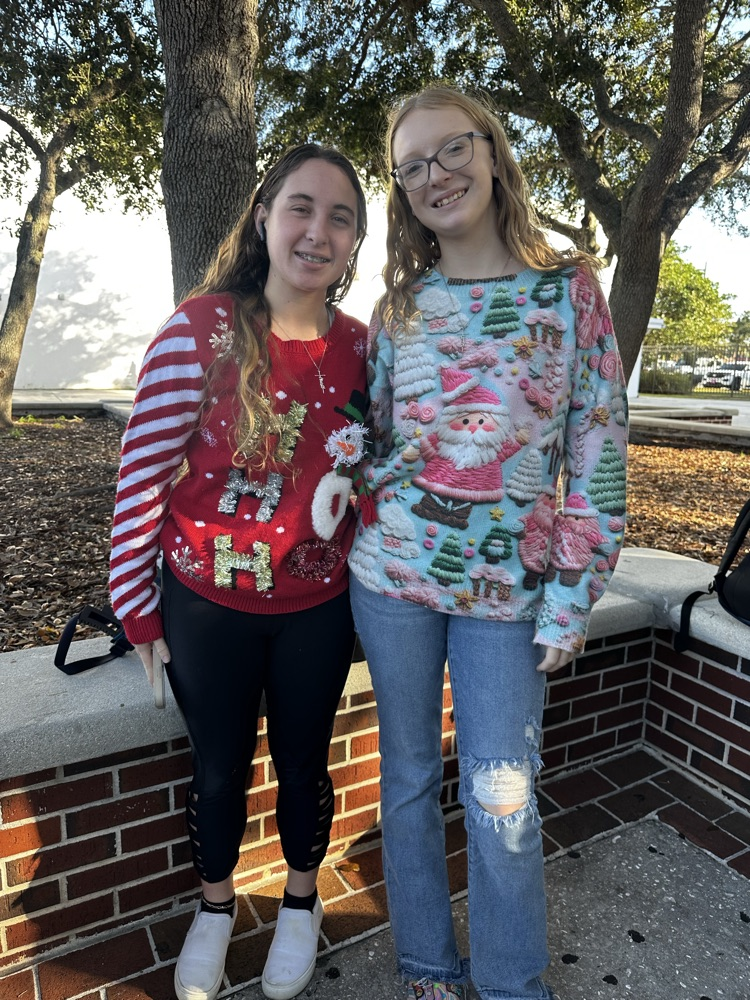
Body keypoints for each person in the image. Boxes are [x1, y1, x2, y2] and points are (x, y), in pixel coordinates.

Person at [348, 86, 629, 1000]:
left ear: (493, 151)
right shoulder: (401, 307)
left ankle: (512, 983)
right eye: (412, 166)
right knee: (407, 781)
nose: (436, 176)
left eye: (450, 150)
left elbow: (598, 448)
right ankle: (428, 966)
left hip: (512, 596)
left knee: (503, 798)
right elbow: (379, 439)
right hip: (390, 577)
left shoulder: (568, 290)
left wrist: (572, 595)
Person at [109, 143, 369, 1000]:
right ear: (263, 215)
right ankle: (214, 909)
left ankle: (300, 903)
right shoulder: (201, 329)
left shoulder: (366, 351)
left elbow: (381, 476)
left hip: (317, 607)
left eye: (340, 216)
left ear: (356, 239)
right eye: (301, 207)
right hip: (205, 604)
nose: (317, 231)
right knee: (217, 769)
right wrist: (138, 612)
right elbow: (142, 474)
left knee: (304, 764)